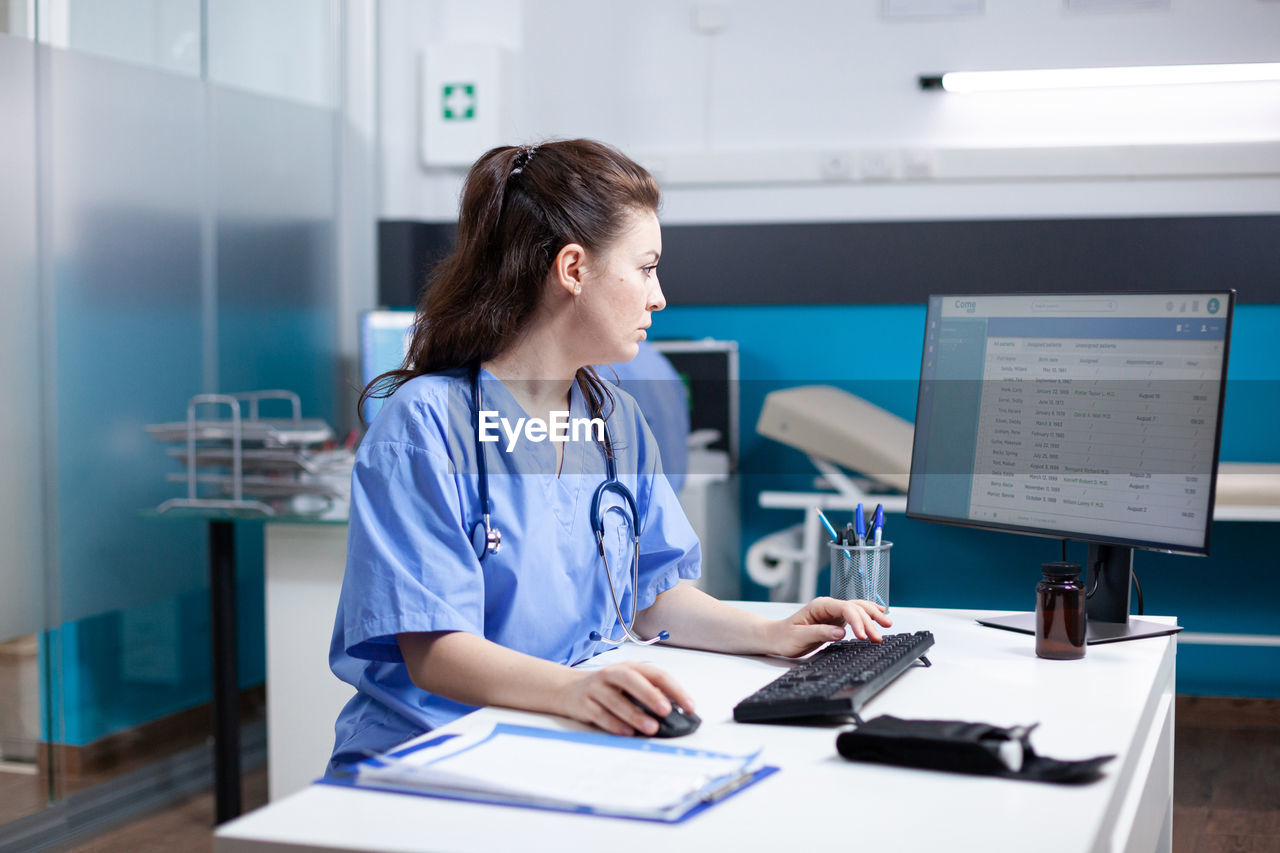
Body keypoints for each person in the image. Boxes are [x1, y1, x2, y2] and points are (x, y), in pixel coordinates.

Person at [328, 139, 891, 772]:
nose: (660, 296)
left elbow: (653, 596)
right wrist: (574, 691)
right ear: (573, 269)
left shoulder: (612, 418)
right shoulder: (426, 425)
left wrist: (771, 634)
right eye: (647, 267)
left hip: (550, 734)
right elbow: (436, 652)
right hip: (427, 753)